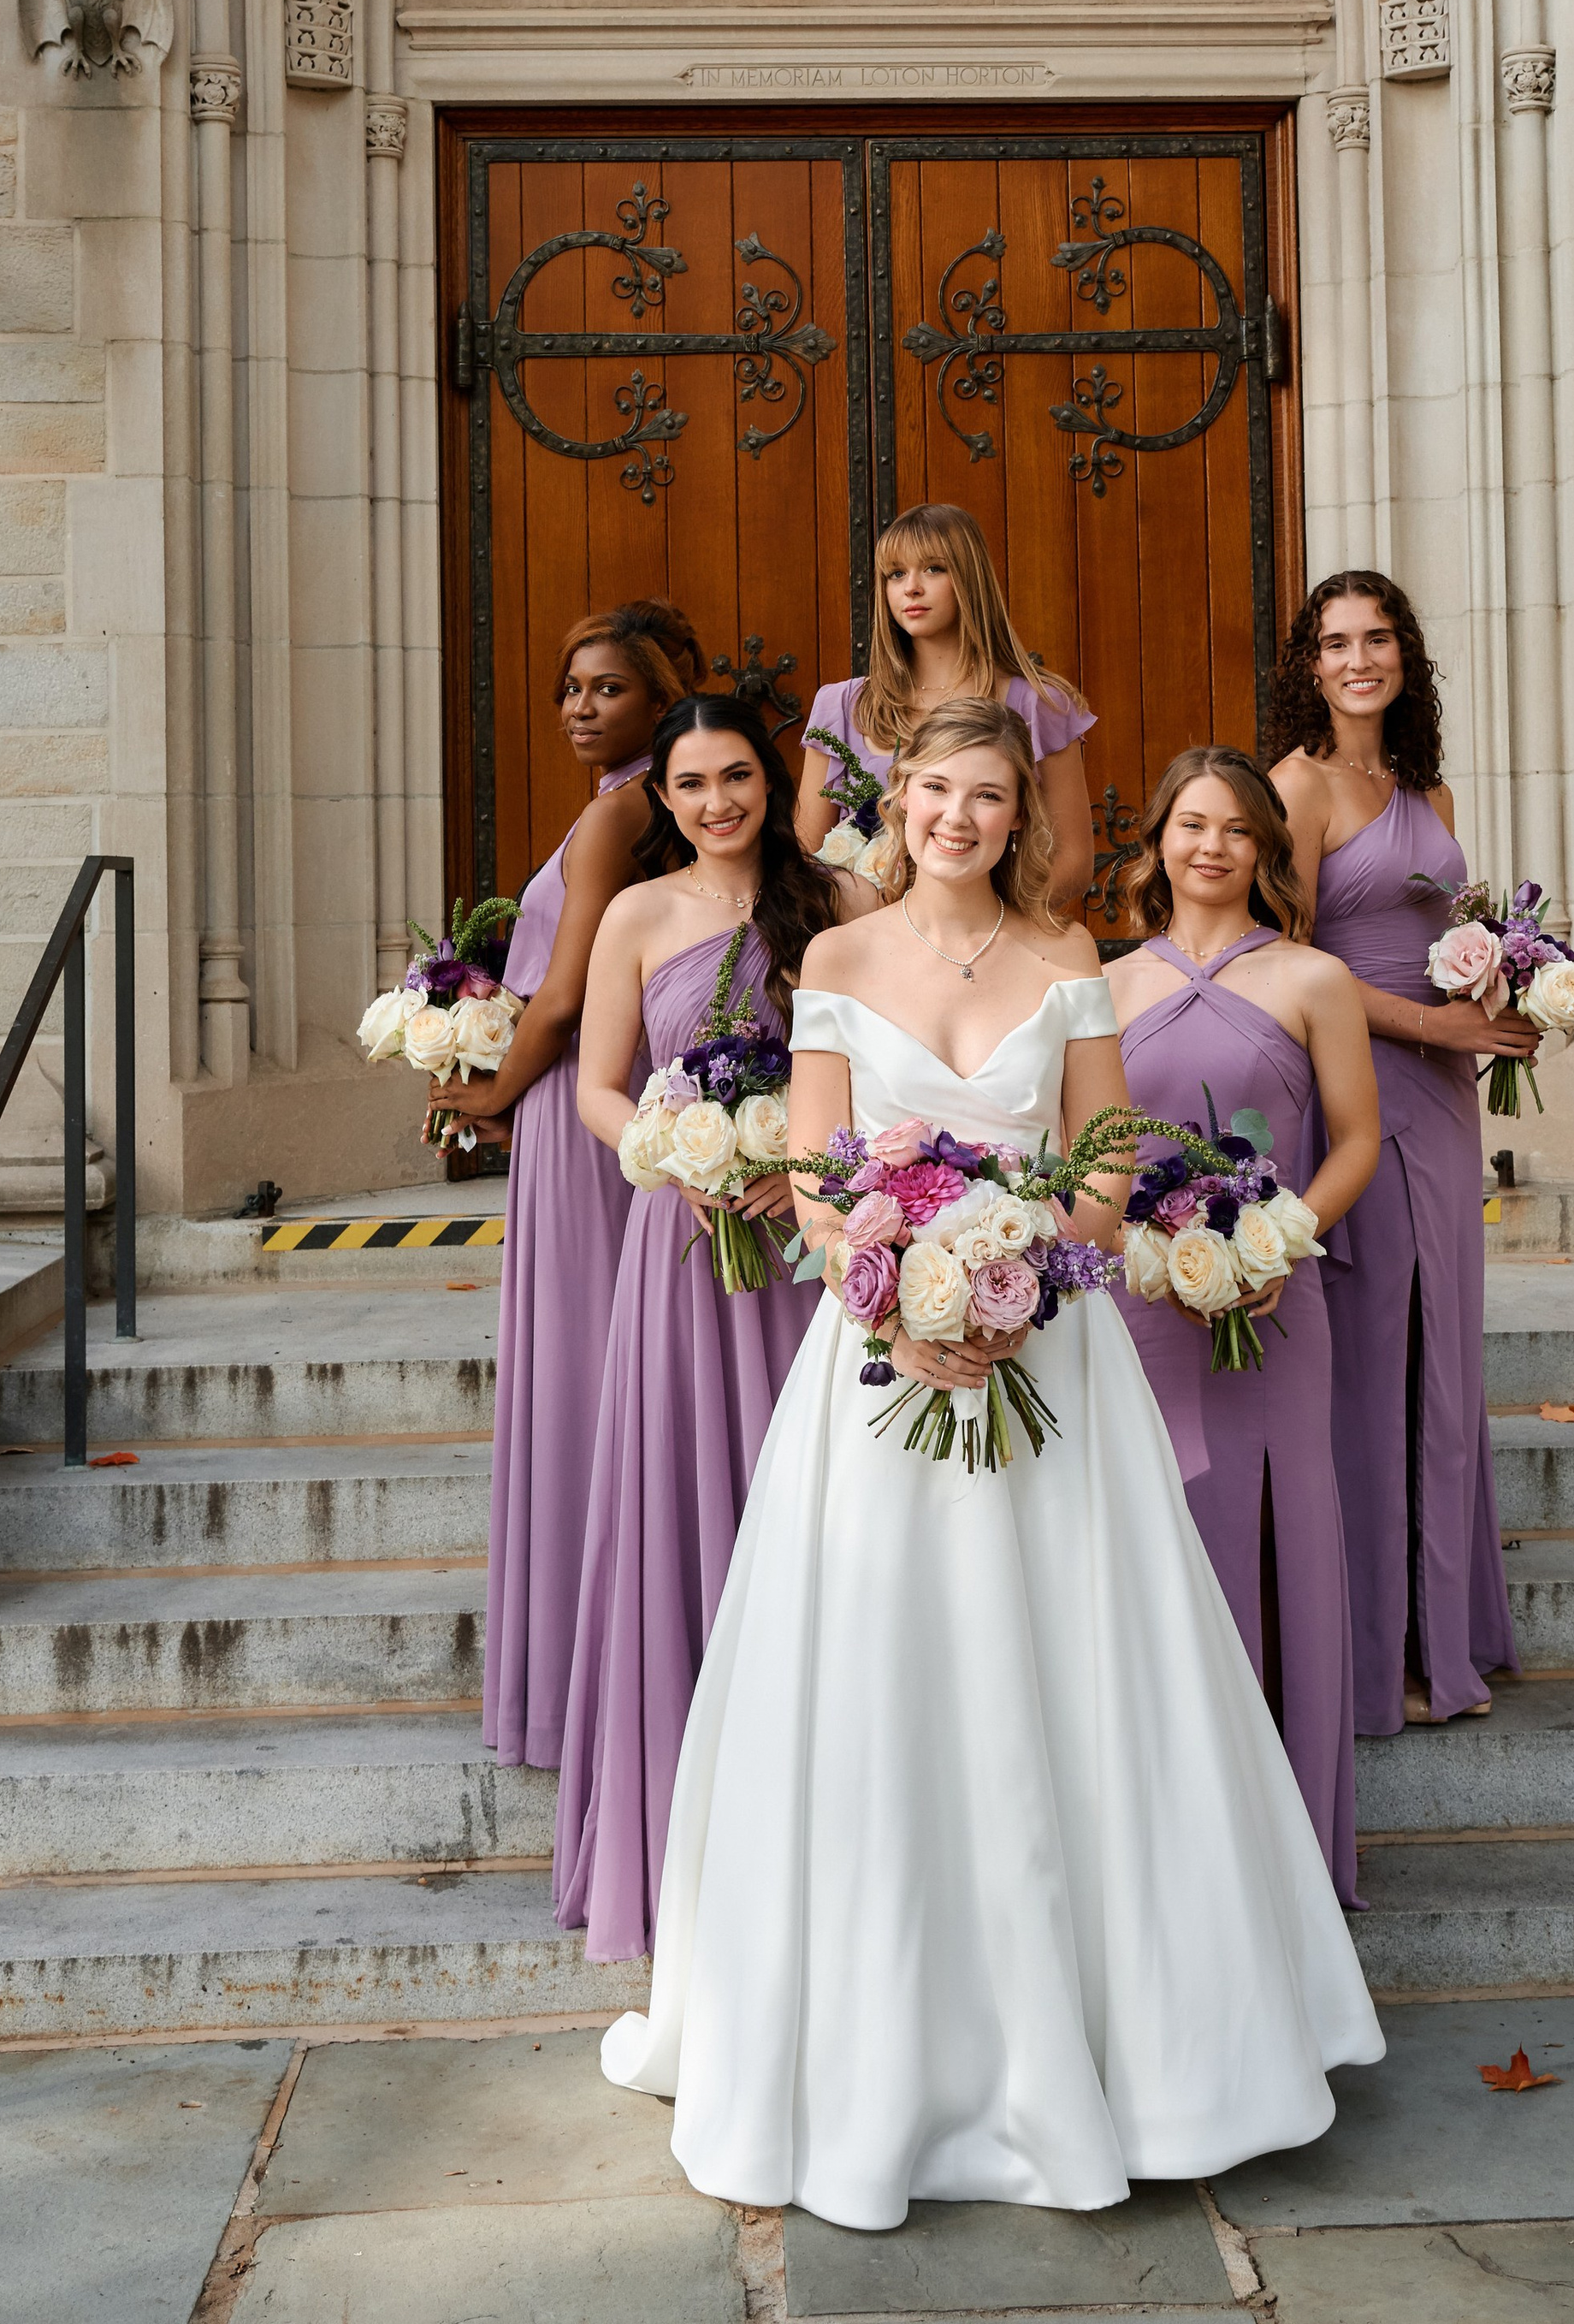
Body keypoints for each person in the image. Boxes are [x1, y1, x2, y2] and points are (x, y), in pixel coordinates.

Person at [602, 700, 1383, 2228]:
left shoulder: (1071, 962)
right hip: (880, 1363)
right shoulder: (835, 958)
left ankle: (1146, 2053)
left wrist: (1023, 1268)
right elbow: (821, 1178)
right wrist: (893, 1285)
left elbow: (1104, 1158)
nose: (959, 815)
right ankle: (885, 2047)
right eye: (936, 791)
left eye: (988, 796)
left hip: (1054, 1355)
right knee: (889, 1667)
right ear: (900, 802)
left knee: (1087, 1674)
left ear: (1021, 814)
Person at [552, 695, 879, 1959]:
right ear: (667, 798)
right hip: (684, 1247)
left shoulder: (844, 903)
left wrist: (805, 1167)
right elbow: (593, 1082)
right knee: (692, 1508)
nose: (716, 803)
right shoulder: (638, 914)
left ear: (769, 776)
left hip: (815, 1251)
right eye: (691, 785)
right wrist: (671, 1156)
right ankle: (683, 1850)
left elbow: (883, 1071)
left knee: (816, 1515)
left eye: (737, 776)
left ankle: (822, 1827)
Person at [1104, 748, 1379, 1903]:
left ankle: (1292, 1858)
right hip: (1142, 1309)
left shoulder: (1316, 978)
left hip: (1277, 1303)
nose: (1210, 846)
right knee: (1157, 1540)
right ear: (1156, 841)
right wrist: (1133, 1254)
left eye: (1235, 830)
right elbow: (1094, 1159)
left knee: (1284, 1539)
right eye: (1189, 824)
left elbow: (1357, 1139)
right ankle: (1170, 1846)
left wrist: (1279, 1244)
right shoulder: (1104, 986)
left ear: (1267, 847)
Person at [433, 601, 704, 1772]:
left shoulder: (624, 812)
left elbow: (565, 990)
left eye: (608, 689)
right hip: (603, 1100)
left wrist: (492, 1091)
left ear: (658, 699)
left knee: (579, 1368)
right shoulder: (654, 805)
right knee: (601, 1361)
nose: (582, 709)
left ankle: (581, 1681)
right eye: (571, 689)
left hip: (570, 1104)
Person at [1270, 572, 1531, 1733]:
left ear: (1404, 656)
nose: (1359, 658)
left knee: (1444, 1355)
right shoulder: (1297, 786)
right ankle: (1383, 1657)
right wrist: (1437, 1023)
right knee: (1379, 1355)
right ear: (1311, 666)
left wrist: (1509, 989)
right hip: (1357, 1086)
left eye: (1377, 638)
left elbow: (1443, 936)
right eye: (1337, 643)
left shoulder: (1425, 786)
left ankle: (1450, 1633)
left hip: (1444, 1093)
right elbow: (1289, 967)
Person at [793, 501, 1096, 912]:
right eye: (896, 574)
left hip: (986, 946)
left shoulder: (1040, 705)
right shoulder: (841, 705)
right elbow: (805, 856)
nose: (911, 587)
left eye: (934, 568)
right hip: (862, 942)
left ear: (970, 579)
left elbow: (1074, 862)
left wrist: (979, 926)